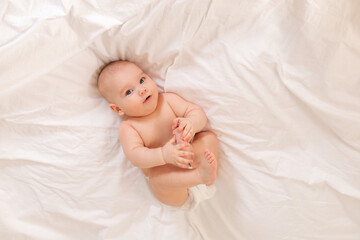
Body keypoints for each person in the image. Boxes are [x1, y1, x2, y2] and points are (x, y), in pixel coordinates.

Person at [97, 60, 219, 209]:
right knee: (156, 178)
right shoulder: (129, 127)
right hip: (177, 189)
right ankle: (200, 176)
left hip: (193, 162)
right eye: (129, 92)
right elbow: (136, 156)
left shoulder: (168, 100)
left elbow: (196, 113)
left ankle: (204, 175)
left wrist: (191, 124)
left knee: (208, 138)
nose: (141, 90)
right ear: (117, 109)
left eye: (142, 80)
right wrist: (164, 155)